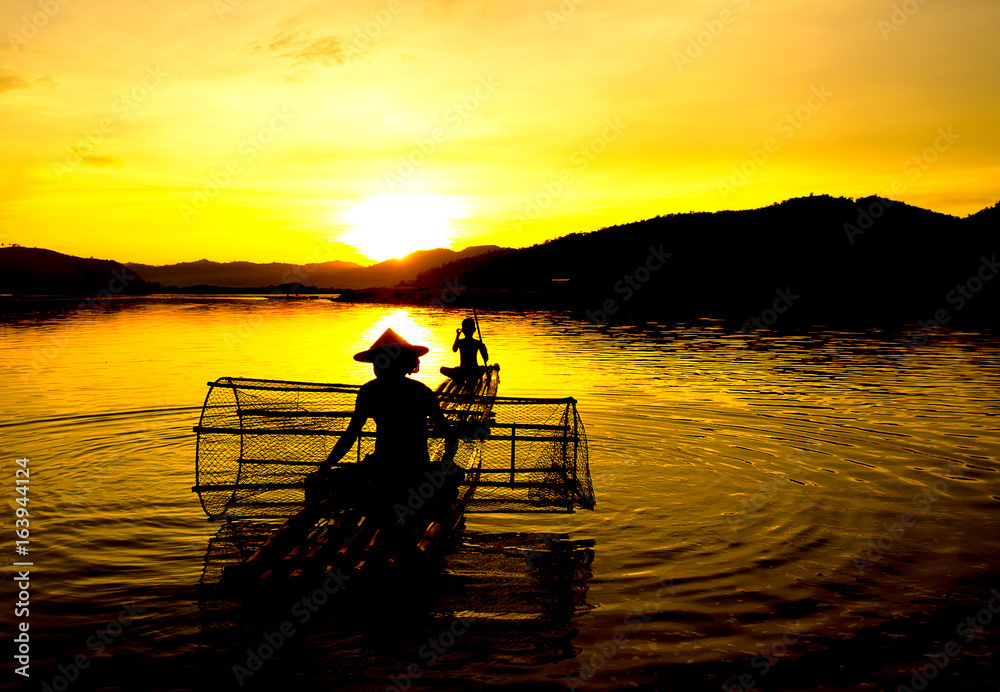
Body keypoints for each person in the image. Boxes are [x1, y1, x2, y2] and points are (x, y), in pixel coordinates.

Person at [310, 328, 459, 508]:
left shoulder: (369, 391)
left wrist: (326, 467)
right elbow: (449, 434)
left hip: (383, 467)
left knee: (333, 485)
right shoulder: (421, 391)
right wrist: (445, 462)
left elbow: (351, 435)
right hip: (414, 467)